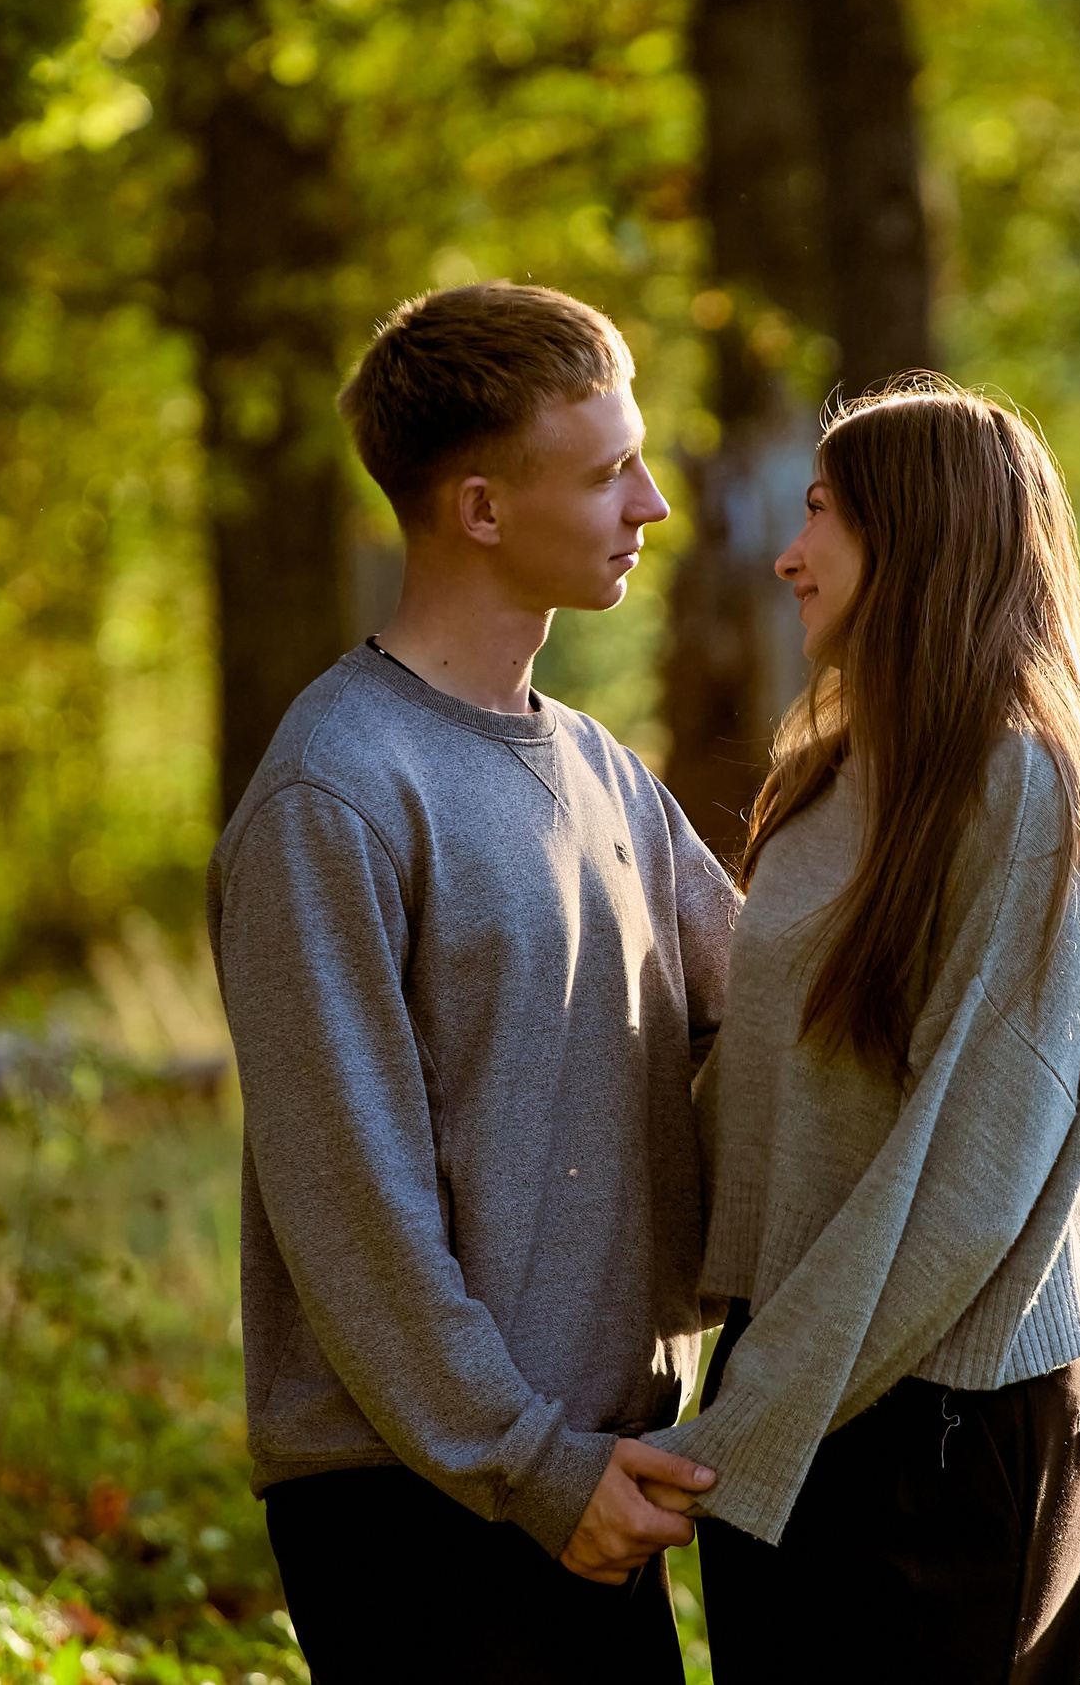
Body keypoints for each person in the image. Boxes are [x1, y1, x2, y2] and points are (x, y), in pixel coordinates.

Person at [206, 282, 738, 1684]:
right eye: (612, 470)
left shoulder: (606, 773)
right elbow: (353, 1211)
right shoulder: (335, 793)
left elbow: (775, 1017)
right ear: (484, 509)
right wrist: (531, 1468)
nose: (652, 506)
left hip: (594, 1480)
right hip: (416, 1504)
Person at [644, 375, 1080, 1683]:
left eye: (823, 516)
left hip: (937, 1418)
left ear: (913, 539)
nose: (788, 555)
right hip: (802, 1387)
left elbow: (977, 1165)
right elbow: (766, 1077)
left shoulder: (1016, 782)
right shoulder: (831, 773)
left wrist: (746, 1422)